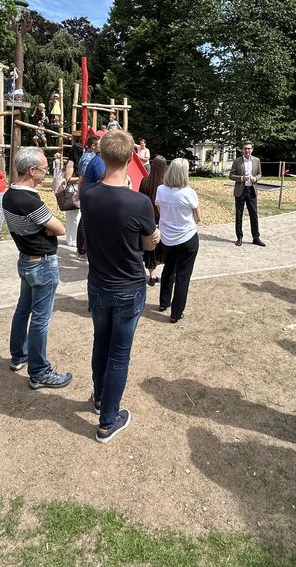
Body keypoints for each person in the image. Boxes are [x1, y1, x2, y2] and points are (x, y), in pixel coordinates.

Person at [80, 130, 160, 443]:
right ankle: (107, 420)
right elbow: (147, 244)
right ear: (131, 159)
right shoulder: (139, 202)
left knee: (101, 342)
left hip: (98, 282)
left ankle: (100, 397)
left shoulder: (88, 196)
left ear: (102, 157)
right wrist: (151, 239)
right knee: (119, 354)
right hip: (128, 285)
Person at [2, 146, 71, 388]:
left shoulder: (9, 194)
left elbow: (47, 226)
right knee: (41, 319)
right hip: (42, 262)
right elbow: (60, 229)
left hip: (26, 259)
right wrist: (46, 226)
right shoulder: (29, 200)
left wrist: (44, 226)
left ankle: (19, 354)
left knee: (23, 310)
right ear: (31, 171)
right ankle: (39, 371)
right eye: (43, 170)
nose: (45, 174)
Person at [155, 158, 201, 324]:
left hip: (168, 238)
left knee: (168, 269)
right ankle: (176, 312)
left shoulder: (161, 190)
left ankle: (163, 302)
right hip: (187, 237)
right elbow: (198, 217)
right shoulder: (189, 192)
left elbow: (159, 210)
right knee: (183, 276)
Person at [229, 140, 265, 247]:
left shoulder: (257, 160)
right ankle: (239, 237)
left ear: (252, 149)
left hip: (252, 191)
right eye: (245, 148)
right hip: (240, 190)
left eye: (249, 148)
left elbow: (259, 174)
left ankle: (256, 238)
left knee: (254, 215)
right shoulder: (237, 161)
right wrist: (241, 178)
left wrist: (256, 178)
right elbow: (231, 175)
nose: (247, 150)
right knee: (239, 215)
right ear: (242, 150)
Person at [138, 156, 167, 287]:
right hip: (162, 218)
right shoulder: (166, 184)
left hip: (147, 218)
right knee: (163, 246)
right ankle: (166, 273)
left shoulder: (145, 181)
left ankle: (152, 274)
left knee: (150, 248)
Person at [76, 135, 104, 259]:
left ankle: (82, 248)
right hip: (90, 192)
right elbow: (82, 178)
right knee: (85, 222)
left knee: (84, 220)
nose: (102, 146)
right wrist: (79, 192)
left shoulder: (89, 156)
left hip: (87, 191)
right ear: (93, 146)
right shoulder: (90, 159)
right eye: (100, 144)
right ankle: (82, 249)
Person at [62, 143, 83, 248]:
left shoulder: (81, 162)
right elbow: (68, 178)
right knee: (72, 217)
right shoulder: (71, 162)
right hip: (72, 190)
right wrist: (81, 178)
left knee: (77, 216)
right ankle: (72, 239)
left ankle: (75, 238)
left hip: (78, 189)